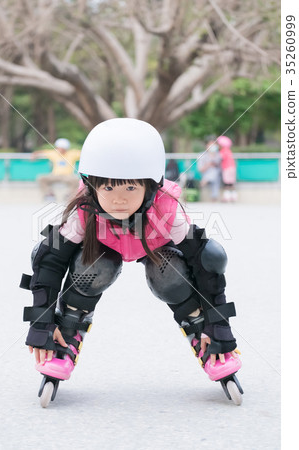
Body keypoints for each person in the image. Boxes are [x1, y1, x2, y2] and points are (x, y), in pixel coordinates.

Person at [21, 118, 242, 406]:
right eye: (109, 188)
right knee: (95, 266)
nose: (119, 200)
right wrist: (42, 323)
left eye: (129, 188)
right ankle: (68, 330)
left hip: (158, 252)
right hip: (102, 255)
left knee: (168, 272)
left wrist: (218, 326)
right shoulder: (85, 210)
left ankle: (200, 329)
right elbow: (48, 262)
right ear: (92, 185)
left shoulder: (166, 209)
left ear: (150, 187)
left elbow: (207, 263)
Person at [197, 137, 222, 201]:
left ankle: (204, 182)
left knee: (215, 173)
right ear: (207, 146)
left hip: (217, 175)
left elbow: (220, 167)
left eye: (214, 145)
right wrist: (209, 164)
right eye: (211, 145)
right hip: (205, 173)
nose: (213, 146)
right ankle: (214, 197)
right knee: (214, 173)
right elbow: (200, 169)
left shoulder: (218, 155)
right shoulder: (202, 155)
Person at [217, 136, 237, 202]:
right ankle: (233, 197)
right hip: (232, 168)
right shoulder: (229, 150)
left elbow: (220, 158)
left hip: (227, 168)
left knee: (227, 183)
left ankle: (227, 197)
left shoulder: (223, 151)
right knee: (231, 183)